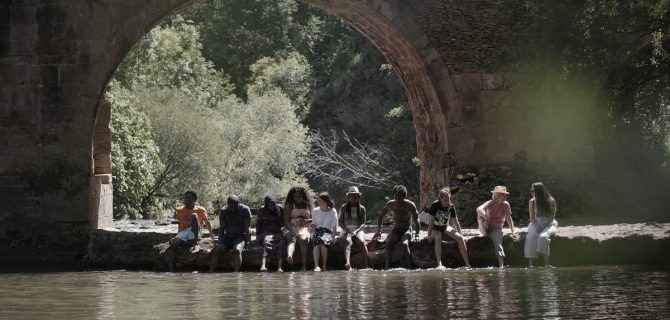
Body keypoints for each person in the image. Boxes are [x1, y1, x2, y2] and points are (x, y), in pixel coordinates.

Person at [372, 185, 420, 269]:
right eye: (396, 197)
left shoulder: (410, 205)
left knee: (404, 244)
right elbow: (380, 216)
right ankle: (387, 268)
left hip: (406, 229)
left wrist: (417, 234)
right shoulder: (390, 203)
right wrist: (378, 231)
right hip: (396, 229)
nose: (398, 200)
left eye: (400, 198)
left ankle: (409, 267)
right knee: (389, 243)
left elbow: (417, 220)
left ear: (404, 197)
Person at [167, 190, 213, 272]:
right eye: (185, 197)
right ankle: (171, 270)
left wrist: (212, 236)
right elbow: (179, 223)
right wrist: (177, 236)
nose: (186, 199)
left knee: (194, 216)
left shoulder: (200, 210)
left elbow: (207, 223)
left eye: (189, 198)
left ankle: (194, 242)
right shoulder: (180, 210)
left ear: (194, 200)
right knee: (174, 244)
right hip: (183, 232)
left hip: (195, 232)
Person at [426, 187, 471, 269]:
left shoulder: (451, 206)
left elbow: (456, 222)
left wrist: (462, 235)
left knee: (460, 238)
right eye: (445, 200)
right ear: (440, 199)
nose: (447, 202)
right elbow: (431, 221)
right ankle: (439, 264)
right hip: (435, 228)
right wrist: (428, 235)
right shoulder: (435, 205)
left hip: (445, 227)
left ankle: (467, 264)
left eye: (448, 200)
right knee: (438, 237)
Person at [476, 186, 517, 268]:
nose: (505, 197)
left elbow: (509, 218)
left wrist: (513, 230)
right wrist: (486, 216)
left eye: (505, 195)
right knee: (479, 216)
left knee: (497, 242)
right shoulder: (491, 203)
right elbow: (478, 209)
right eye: (503, 195)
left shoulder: (506, 205)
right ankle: (485, 231)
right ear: (497, 195)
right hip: (486, 226)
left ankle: (501, 265)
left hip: (497, 228)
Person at [209, 195, 251, 272]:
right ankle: (210, 272)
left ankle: (236, 274)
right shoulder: (224, 210)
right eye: (231, 205)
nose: (233, 208)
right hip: (228, 237)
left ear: (238, 203)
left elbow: (246, 227)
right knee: (217, 250)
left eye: (235, 205)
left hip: (240, 236)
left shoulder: (245, 209)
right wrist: (219, 242)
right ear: (227, 204)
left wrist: (248, 242)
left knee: (237, 250)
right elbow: (222, 228)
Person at [524, 182, 558, 267]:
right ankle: (530, 264)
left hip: (549, 223)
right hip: (536, 222)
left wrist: (543, 226)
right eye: (531, 190)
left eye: (533, 190)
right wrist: (536, 226)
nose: (531, 192)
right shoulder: (532, 201)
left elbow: (552, 216)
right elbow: (532, 217)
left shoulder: (550, 200)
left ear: (539, 191)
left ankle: (546, 264)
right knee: (531, 237)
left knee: (543, 237)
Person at [338, 186, 369, 269]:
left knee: (361, 242)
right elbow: (340, 222)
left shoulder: (362, 208)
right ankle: (348, 264)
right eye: (351, 196)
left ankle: (367, 265)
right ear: (348, 197)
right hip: (346, 229)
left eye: (355, 196)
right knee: (348, 241)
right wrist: (347, 231)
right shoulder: (343, 207)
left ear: (358, 197)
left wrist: (356, 231)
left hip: (358, 229)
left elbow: (363, 223)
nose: (353, 198)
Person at [283, 186, 313, 271]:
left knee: (303, 239)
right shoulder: (289, 205)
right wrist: (292, 230)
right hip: (290, 226)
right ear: (292, 196)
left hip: (305, 227)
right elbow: (286, 221)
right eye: (295, 196)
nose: (297, 198)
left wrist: (307, 221)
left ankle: (304, 266)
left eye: (299, 196)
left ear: (303, 196)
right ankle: (289, 256)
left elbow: (313, 219)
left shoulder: (309, 204)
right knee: (291, 238)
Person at [257, 195, 287, 272]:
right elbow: (258, 223)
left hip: (278, 231)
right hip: (266, 231)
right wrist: (258, 234)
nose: (272, 206)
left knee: (282, 242)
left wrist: (285, 229)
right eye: (270, 204)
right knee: (266, 241)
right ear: (267, 204)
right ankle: (263, 266)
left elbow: (285, 221)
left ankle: (279, 267)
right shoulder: (262, 210)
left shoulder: (280, 209)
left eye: (274, 204)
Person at [310, 192, 338, 271]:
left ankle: (324, 265)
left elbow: (334, 226)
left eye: (321, 201)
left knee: (323, 242)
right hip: (318, 230)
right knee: (316, 241)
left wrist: (333, 237)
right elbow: (314, 224)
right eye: (318, 201)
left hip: (327, 231)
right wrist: (312, 233)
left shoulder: (333, 211)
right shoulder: (315, 211)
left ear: (326, 202)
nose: (319, 203)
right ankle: (316, 266)